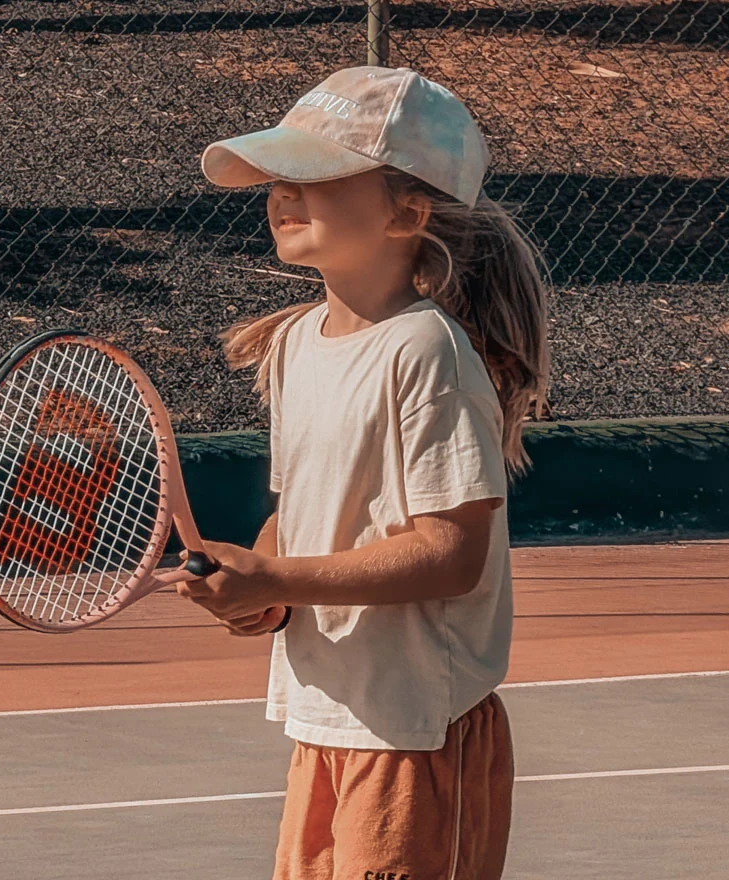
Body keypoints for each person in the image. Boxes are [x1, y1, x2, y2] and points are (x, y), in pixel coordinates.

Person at [160, 65, 551, 880]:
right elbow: (299, 516)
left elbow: (451, 552)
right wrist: (262, 589)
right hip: (327, 722)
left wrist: (280, 574)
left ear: (408, 211)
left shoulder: (426, 351)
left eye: (314, 176)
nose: (280, 194)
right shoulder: (295, 346)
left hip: (414, 736)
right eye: (277, 176)